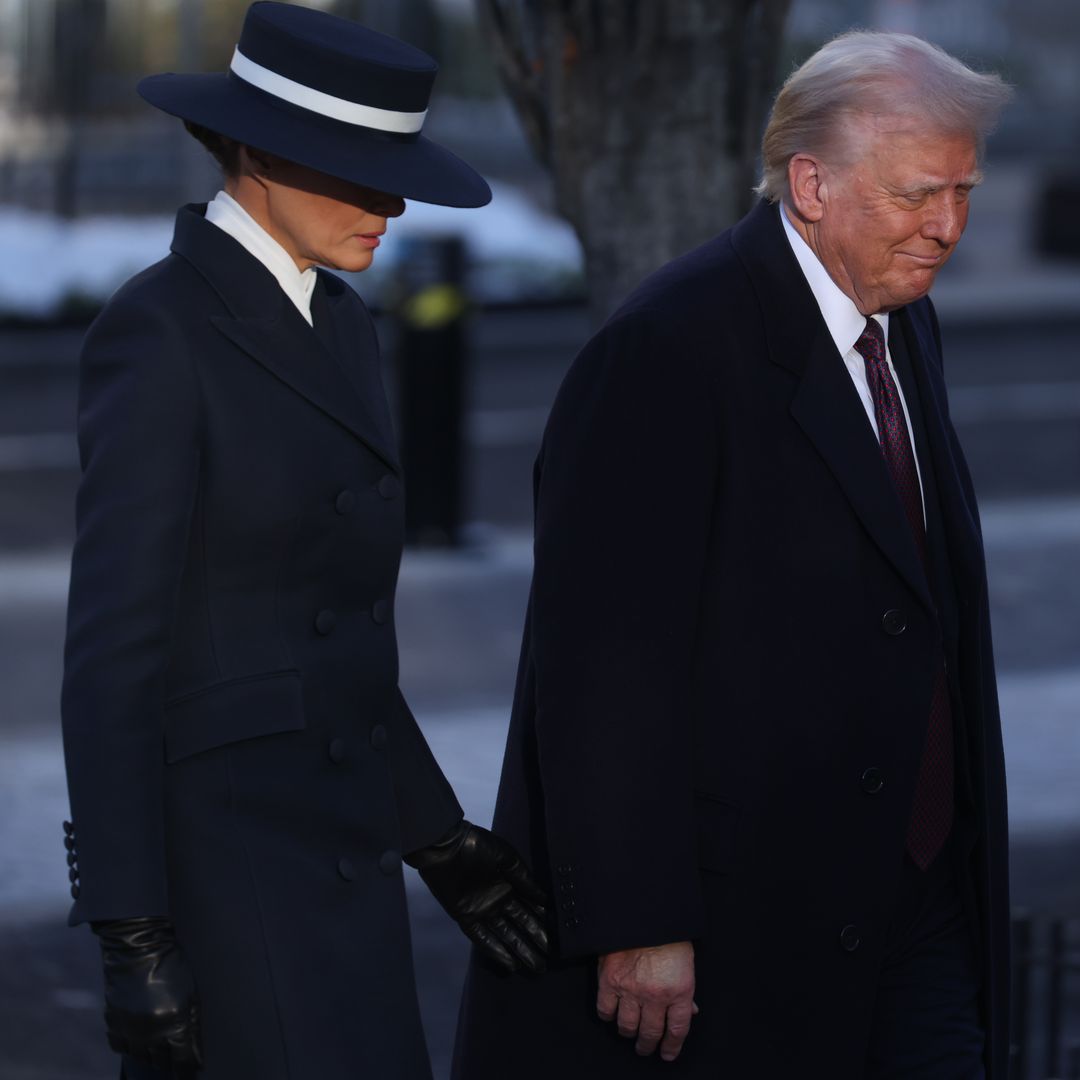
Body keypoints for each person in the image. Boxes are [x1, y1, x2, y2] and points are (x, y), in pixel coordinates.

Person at [453, 30, 1013, 1080]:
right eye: (918, 194)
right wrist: (639, 918)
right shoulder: (669, 348)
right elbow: (602, 663)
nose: (948, 226)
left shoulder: (902, 314)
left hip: (915, 896)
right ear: (810, 183)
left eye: (964, 191)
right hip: (744, 923)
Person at [59, 4, 546, 1078]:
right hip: (227, 881)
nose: (393, 204)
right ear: (264, 154)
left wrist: (434, 832)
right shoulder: (161, 330)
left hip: (344, 864)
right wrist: (131, 931)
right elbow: (111, 661)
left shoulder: (344, 321)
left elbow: (333, 632)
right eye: (358, 171)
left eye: (399, 171)